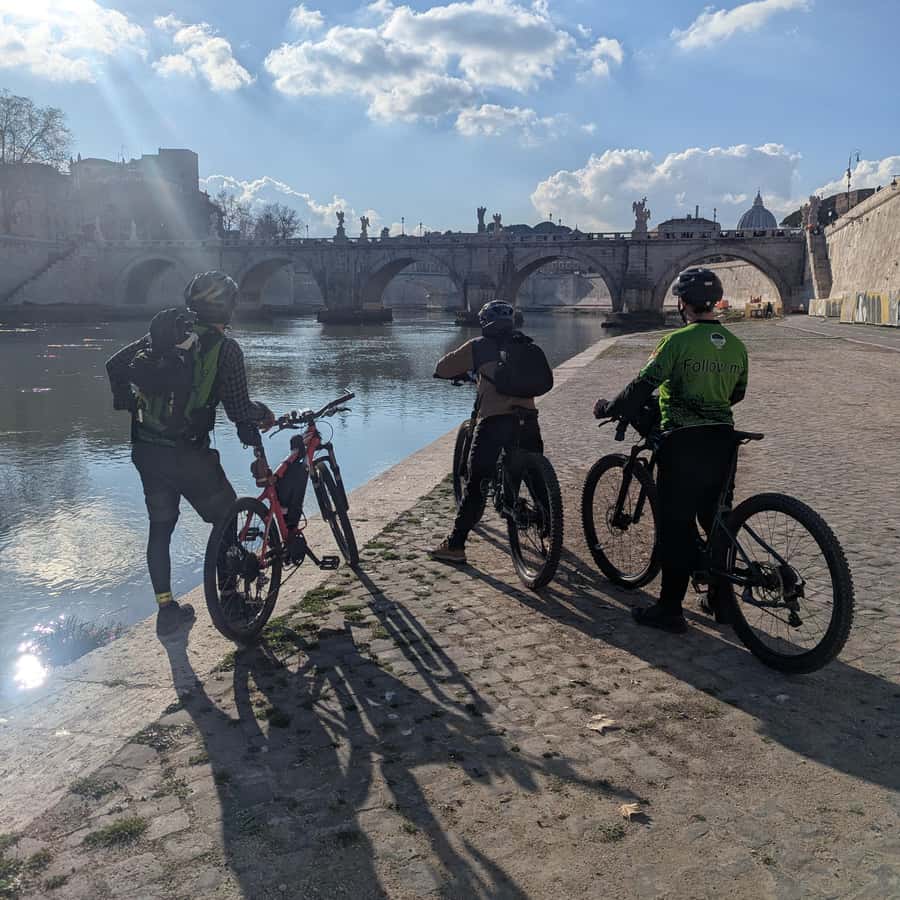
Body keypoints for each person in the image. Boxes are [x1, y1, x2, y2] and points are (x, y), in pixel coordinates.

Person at [107, 271, 274, 636]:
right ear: (228, 308)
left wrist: (128, 401)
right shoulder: (225, 349)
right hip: (189, 455)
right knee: (228, 520)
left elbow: (115, 366)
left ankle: (166, 610)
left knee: (160, 529)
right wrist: (263, 414)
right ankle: (231, 598)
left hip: (147, 448)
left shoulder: (166, 335)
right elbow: (238, 411)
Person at [593, 267, 749, 634]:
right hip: (724, 440)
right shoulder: (737, 346)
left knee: (675, 526)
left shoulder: (677, 342)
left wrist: (610, 407)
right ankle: (721, 600)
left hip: (684, 442)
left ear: (682, 303)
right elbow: (736, 394)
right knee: (717, 521)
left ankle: (669, 609)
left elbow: (643, 385)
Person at [430, 300, 544, 564]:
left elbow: (442, 368)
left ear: (484, 323)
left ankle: (456, 545)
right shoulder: (527, 345)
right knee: (534, 475)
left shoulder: (479, 347)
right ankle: (549, 523)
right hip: (528, 420)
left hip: (494, 421)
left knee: (477, 481)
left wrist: (456, 373)